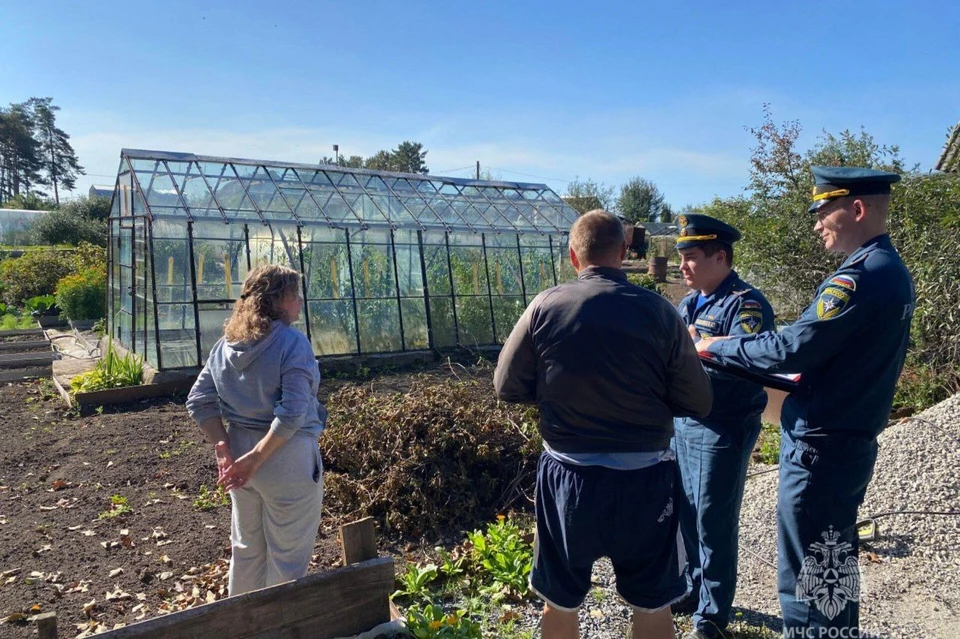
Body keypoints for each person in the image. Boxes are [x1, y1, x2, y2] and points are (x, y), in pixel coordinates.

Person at [694, 167, 913, 635]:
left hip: (820, 446)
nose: (816, 224)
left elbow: (791, 346)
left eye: (822, 211)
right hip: (843, 441)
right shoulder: (889, 271)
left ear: (856, 209)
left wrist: (716, 346)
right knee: (831, 565)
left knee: (808, 582)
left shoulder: (860, 278)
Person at [494, 209, 713, 639]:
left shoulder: (545, 306)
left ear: (573, 257)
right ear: (624, 252)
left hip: (569, 480)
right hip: (646, 481)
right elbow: (699, 400)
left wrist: (556, 393)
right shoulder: (662, 313)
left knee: (559, 605)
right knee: (653, 608)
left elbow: (506, 385)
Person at [186, 264, 327, 596]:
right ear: (279, 300)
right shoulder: (292, 343)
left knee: (247, 550)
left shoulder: (225, 346)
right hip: (283, 458)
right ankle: (276, 629)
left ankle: (242, 629)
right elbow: (292, 413)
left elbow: (198, 399)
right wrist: (257, 457)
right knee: (287, 560)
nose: (300, 303)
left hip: (238, 460)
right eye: (295, 296)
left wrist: (224, 447)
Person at [671, 215, 775, 639]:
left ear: (720, 256)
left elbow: (755, 358)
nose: (682, 267)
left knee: (713, 519)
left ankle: (713, 614)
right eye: (681, 258)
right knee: (686, 513)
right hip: (685, 422)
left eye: (691, 258)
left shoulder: (745, 304)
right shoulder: (689, 303)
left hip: (722, 426)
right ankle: (694, 590)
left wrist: (699, 348)